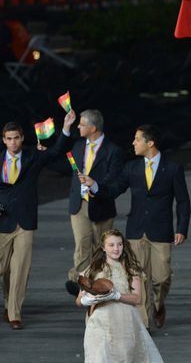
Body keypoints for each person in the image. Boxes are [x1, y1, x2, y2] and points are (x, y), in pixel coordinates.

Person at [0, 111, 76, 329]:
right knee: (4, 270)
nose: (13, 142)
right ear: (4, 140)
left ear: (22, 138)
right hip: (2, 221)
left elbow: (57, 151)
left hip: (25, 221)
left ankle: (15, 313)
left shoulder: (33, 156)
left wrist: (67, 127)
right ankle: (8, 302)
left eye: (16, 138)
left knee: (21, 267)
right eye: (9, 138)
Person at [91, 124, 191, 329]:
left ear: (150, 143)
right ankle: (144, 323)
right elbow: (115, 188)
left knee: (161, 278)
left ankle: (159, 305)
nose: (133, 143)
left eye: (137, 139)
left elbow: (183, 201)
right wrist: (94, 186)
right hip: (136, 231)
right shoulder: (132, 167)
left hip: (161, 231)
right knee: (139, 277)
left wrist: (182, 228)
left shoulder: (172, 168)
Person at [76, 229, 163, 363]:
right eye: (111, 245)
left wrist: (116, 296)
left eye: (119, 244)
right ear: (103, 248)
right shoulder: (92, 270)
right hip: (99, 322)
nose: (116, 249)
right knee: (99, 357)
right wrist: (86, 300)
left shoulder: (131, 269)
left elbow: (137, 298)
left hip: (125, 323)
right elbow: (79, 300)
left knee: (124, 358)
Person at [64, 109, 124, 297]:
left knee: (101, 247)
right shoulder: (78, 146)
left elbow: (113, 180)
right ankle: (82, 284)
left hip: (101, 206)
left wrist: (96, 185)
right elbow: (61, 161)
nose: (78, 127)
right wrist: (65, 128)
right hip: (79, 204)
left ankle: (102, 283)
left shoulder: (113, 151)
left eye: (81, 124)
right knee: (82, 245)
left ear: (93, 127)